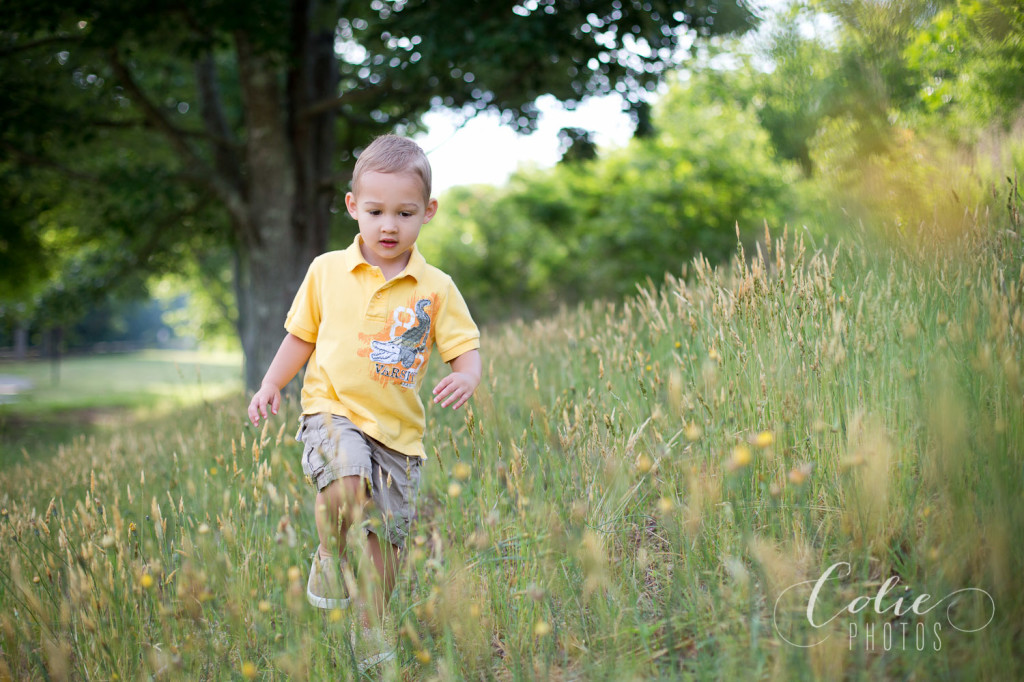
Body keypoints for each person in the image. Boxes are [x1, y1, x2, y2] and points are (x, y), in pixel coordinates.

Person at [246, 134, 481, 667]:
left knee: (390, 543)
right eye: (375, 211)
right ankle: (329, 553)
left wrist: (467, 377)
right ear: (354, 207)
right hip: (331, 409)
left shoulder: (436, 286)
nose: (389, 225)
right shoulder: (327, 270)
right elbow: (300, 337)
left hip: (400, 433)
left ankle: (371, 630)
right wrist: (270, 384)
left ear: (428, 212)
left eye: (405, 212)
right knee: (345, 483)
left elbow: (465, 348)